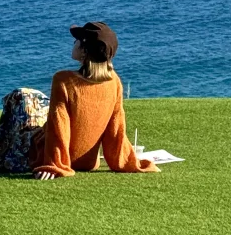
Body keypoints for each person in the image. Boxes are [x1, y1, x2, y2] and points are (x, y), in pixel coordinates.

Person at [29, 21, 160, 179]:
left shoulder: (62, 80)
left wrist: (54, 165)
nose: (74, 42)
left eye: (77, 40)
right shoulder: (114, 82)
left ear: (84, 51)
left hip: (46, 156)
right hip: (89, 163)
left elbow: (59, 126)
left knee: (21, 98)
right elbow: (116, 131)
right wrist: (127, 160)